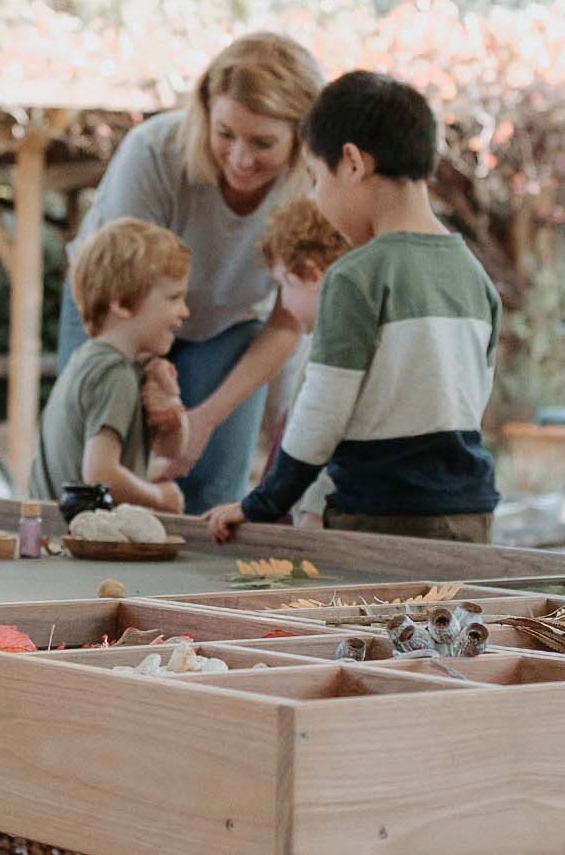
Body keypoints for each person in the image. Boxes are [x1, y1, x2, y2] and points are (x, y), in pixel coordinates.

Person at [204, 71, 502, 544]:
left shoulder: (356, 276)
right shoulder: (474, 276)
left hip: (380, 516)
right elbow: (472, 401)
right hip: (470, 513)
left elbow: (322, 408)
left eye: (316, 178)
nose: (317, 198)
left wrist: (264, 502)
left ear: (352, 163)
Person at [57, 33, 324, 513]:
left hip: (227, 322)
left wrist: (202, 420)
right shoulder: (153, 153)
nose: (241, 159)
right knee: (96, 483)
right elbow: (117, 280)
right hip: (115, 307)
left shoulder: (316, 187)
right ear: (205, 113)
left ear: (301, 137)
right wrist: (151, 370)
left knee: (209, 490)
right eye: (225, 134)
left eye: (263, 142)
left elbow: (290, 320)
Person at [28, 218, 190, 514]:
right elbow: (100, 475)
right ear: (122, 303)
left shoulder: (92, 361)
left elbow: (172, 452)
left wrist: (171, 404)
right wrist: (158, 497)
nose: (184, 311)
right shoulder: (114, 374)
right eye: (174, 298)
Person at [253, 197, 351, 528]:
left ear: (311, 273)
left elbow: (327, 435)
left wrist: (314, 507)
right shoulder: (320, 341)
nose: (284, 303)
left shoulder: (334, 348)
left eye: (284, 285)